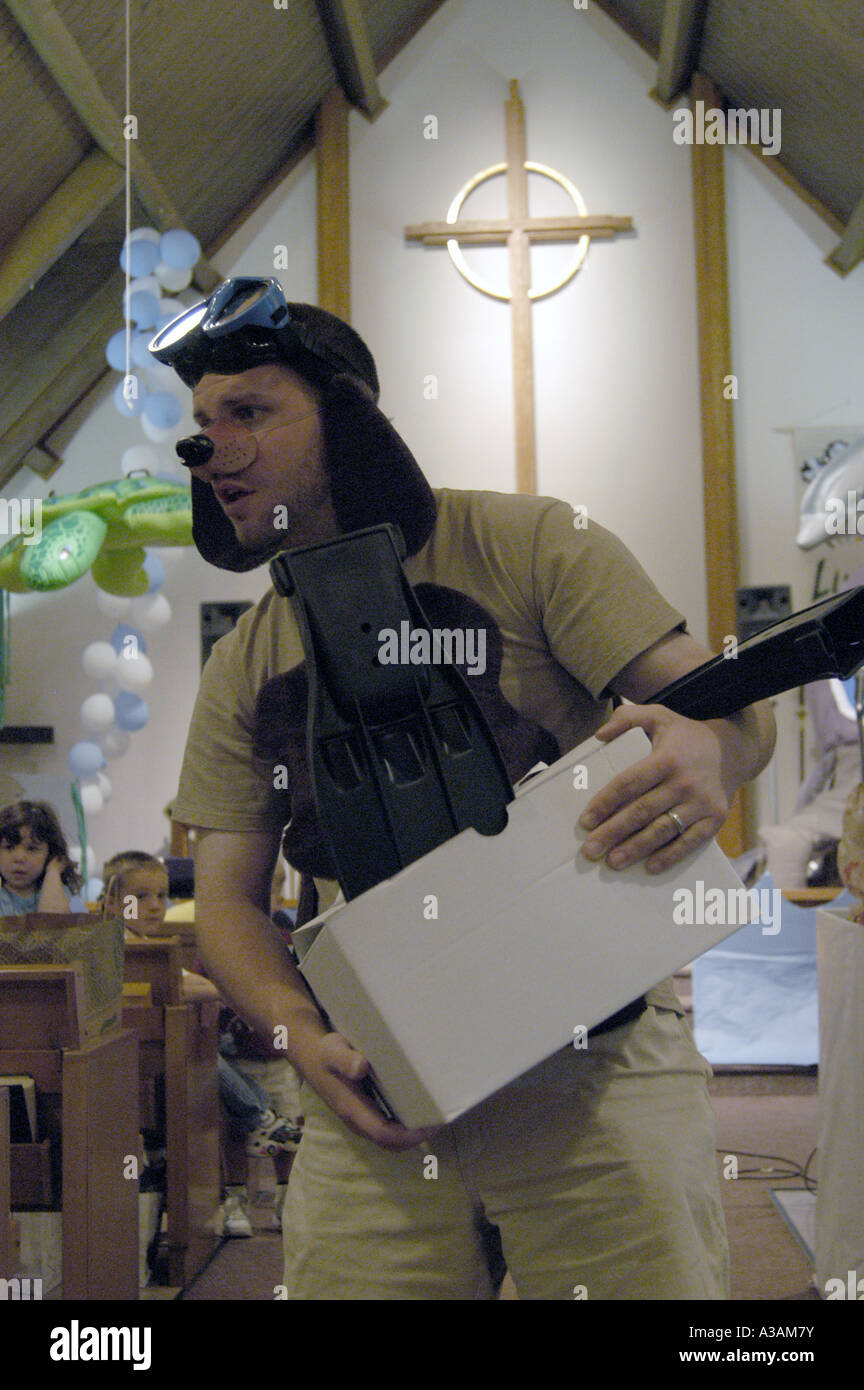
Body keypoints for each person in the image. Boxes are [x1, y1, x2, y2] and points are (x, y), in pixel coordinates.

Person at [160, 277, 776, 1300]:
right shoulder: (247, 660)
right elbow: (224, 897)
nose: (210, 446)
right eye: (199, 426)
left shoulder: (532, 543)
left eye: (251, 411)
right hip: (377, 1087)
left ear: (348, 419)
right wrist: (300, 1036)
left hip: (597, 1066)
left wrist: (711, 755)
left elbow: (728, 711)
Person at [103, 849, 300, 1240]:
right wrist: (224, 989)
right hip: (128, 1062)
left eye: (162, 895)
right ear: (111, 902)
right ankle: (257, 1118)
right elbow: (175, 983)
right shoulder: (116, 944)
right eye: (140, 896)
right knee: (204, 1058)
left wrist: (216, 991)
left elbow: (177, 981)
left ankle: (233, 1199)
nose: (156, 906)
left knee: (204, 1057)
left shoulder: (146, 943)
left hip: (160, 1055)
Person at [0, 800, 83, 914]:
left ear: (50, 855)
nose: (19, 858)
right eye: (9, 847)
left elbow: (54, 923)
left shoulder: (62, 891)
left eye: (32, 848)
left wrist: (53, 871)